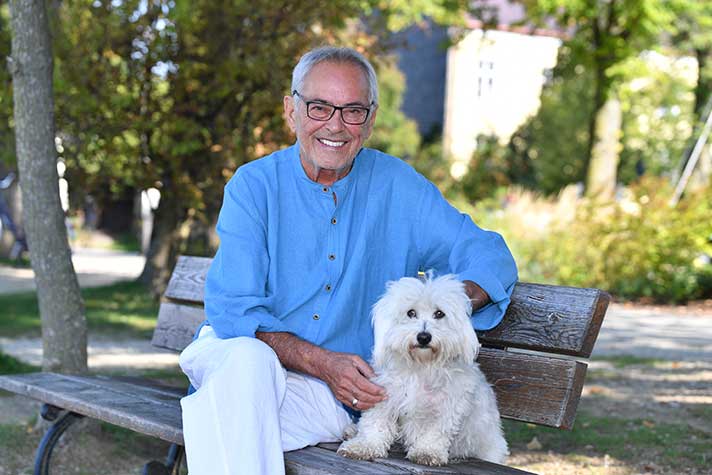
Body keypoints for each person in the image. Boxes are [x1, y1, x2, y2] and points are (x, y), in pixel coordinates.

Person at [178, 46, 518, 475]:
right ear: (291, 111)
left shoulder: (399, 187)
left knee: (226, 422)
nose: (335, 125)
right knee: (248, 365)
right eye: (319, 107)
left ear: (370, 120)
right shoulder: (254, 186)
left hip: (327, 398)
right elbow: (234, 312)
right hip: (234, 359)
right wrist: (322, 361)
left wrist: (454, 302)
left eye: (353, 111)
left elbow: (491, 253)